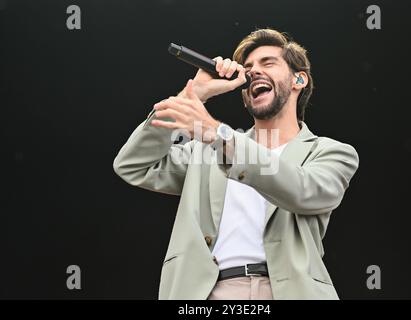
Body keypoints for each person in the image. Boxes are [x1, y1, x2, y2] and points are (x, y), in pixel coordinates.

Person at [113, 28, 359, 300]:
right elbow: (133, 165)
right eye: (249, 67)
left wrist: (218, 135)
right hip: (207, 293)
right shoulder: (206, 153)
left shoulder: (331, 152)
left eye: (268, 63)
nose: (254, 71)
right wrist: (193, 96)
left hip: (287, 292)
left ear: (298, 79)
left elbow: (305, 190)